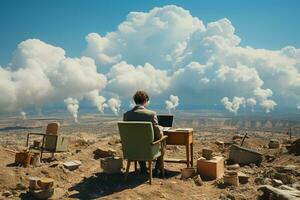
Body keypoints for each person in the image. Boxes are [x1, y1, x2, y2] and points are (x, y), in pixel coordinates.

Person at [123, 90, 163, 176]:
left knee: (138, 141)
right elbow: (158, 134)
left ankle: (143, 169)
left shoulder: (126, 115)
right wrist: (161, 131)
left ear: (135, 101)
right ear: (145, 101)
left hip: (132, 149)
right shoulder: (151, 114)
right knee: (162, 143)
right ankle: (156, 170)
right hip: (148, 148)